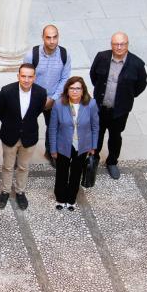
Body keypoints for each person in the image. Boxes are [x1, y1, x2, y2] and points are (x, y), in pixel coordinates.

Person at [89, 31, 147, 179]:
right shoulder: (102, 57)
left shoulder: (137, 64)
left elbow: (141, 85)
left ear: (127, 44)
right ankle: (93, 159)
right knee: (97, 134)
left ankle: (112, 161)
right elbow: (93, 76)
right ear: (111, 45)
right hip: (100, 107)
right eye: (116, 44)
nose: (119, 47)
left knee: (115, 136)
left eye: (122, 44)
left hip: (119, 111)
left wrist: (126, 97)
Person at [0, 63, 47, 210]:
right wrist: (12, 123)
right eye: (23, 76)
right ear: (18, 76)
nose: (26, 80)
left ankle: (20, 191)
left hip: (29, 136)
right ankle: (5, 191)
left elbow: (37, 111)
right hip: (10, 134)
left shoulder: (41, 93)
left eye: (30, 77)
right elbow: (0, 110)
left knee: (23, 167)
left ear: (34, 78)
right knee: (8, 166)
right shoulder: (6, 91)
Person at [23, 24, 71, 166]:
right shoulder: (32, 55)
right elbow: (25, 78)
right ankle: (21, 153)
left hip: (53, 99)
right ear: (43, 38)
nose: (52, 41)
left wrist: (53, 98)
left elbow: (65, 79)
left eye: (55, 37)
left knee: (54, 127)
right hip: (34, 98)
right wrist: (37, 97)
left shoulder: (64, 54)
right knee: (26, 126)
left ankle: (50, 152)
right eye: (48, 37)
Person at [49, 76, 99, 210]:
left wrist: (93, 146)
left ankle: (71, 199)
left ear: (83, 90)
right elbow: (53, 128)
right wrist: (53, 149)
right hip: (64, 145)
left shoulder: (91, 104)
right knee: (61, 173)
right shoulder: (59, 104)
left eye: (78, 88)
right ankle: (60, 198)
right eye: (72, 88)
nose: (75, 91)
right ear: (67, 90)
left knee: (76, 173)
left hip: (82, 146)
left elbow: (95, 126)